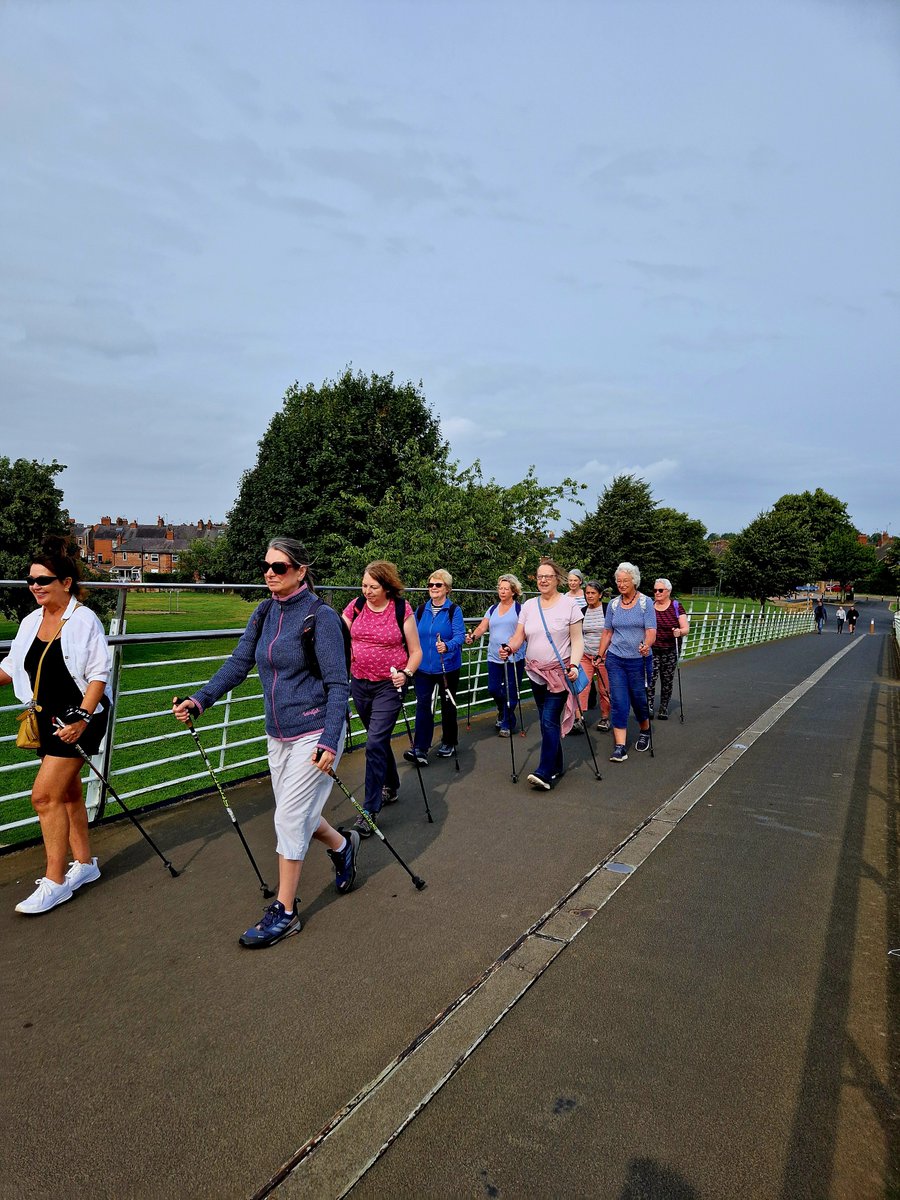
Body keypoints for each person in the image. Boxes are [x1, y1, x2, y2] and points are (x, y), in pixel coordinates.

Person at [173, 538, 355, 949]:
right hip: (278, 733)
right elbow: (239, 662)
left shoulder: (321, 617)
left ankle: (285, 911)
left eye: (280, 567)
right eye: (267, 566)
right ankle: (343, 846)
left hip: (316, 731)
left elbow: (338, 683)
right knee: (300, 813)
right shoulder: (264, 611)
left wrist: (330, 740)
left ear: (301, 571)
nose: (270, 573)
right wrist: (200, 700)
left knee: (289, 818)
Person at [1, 536, 112, 915]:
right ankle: (84, 863)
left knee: (43, 796)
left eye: (43, 580)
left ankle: (56, 881)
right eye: (30, 580)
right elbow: (11, 667)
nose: (35, 586)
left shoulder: (83, 620)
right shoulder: (31, 620)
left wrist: (82, 719)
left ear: (66, 583)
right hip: (46, 718)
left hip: (80, 717)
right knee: (67, 793)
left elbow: (98, 675)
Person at [342, 561, 422, 835]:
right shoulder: (356, 606)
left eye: (373, 587)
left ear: (387, 586)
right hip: (359, 683)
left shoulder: (401, 609)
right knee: (378, 739)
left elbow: (416, 652)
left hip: (389, 686)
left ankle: (370, 809)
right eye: (364, 585)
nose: (367, 591)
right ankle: (392, 785)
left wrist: (407, 674)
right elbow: (338, 634)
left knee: (374, 741)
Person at [500, 557, 584, 791]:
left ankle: (544, 772)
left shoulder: (569, 605)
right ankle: (556, 764)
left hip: (559, 673)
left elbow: (578, 640)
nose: (543, 580)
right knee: (548, 721)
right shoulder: (529, 606)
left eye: (548, 576)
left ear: (557, 579)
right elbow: (519, 636)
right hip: (535, 672)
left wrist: (575, 665)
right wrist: (509, 648)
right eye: (540, 577)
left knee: (548, 719)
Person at [595, 562, 657, 763]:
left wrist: (647, 645)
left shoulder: (646, 603)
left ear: (634, 581)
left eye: (625, 581)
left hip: (639, 660)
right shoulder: (613, 605)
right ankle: (620, 747)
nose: (621, 584)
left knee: (639, 700)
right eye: (618, 581)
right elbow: (607, 632)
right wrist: (599, 654)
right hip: (616, 659)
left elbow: (651, 631)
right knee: (619, 702)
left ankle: (645, 730)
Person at [407, 569, 466, 763]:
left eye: (438, 585)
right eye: (430, 584)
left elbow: (460, 636)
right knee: (423, 706)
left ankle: (449, 741)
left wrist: (447, 646)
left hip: (447, 667)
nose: (433, 588)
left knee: (448, 705)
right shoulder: (421, 610)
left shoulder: (454, 610)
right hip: (423, 667)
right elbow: (411, 633)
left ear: (447, 588)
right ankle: (420, 748)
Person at [465, 574, 526, 736]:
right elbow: (482, 627)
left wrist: (513, 645)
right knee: (493, 689)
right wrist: (473, 637)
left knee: (510, 691)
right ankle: (503, 710)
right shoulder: (492, 609)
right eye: (500, 588)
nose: (502, 591)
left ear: (513, 591)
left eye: (506, 589)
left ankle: (506, 723)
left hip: (513, 657)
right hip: (494, 656)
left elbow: (524, 632)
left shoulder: (520, 609)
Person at [650, 578, 689, 720]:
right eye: (655, 590)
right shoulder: (650, 606)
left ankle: (663, 707)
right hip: (653, 649)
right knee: (650, 678)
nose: (657, 593)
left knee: (666, 680)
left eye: (660, 590)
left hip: (670, 649)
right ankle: (648, 706)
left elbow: (685, 628)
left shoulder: (676, 606)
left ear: (668, 591)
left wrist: (679, 632)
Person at [578, 580, 612, 732]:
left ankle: (605, 718)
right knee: (582, 687)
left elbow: (611, 632)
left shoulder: (607, 609)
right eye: (587, 593)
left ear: (600, 595)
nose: (590, 596)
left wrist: (602, 653)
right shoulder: (582, 611)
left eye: (593, 593)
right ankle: (579, 719)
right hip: (586, 655)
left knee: (604, 689)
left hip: (605, 656)